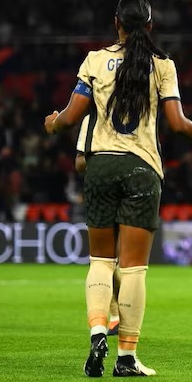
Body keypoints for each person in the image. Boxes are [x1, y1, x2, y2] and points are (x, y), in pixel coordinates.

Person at [45, 0, 192, 377]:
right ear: (150, 26)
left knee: (99, 262)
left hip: (100, 167)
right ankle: (126, 357)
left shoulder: (94, 61)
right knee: (134, 270)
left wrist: (53, 123)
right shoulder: (162, 65)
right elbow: (177, 123)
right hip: (142, 168)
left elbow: (71, 115)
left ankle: (97, 331)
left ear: (116, 23)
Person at [76, 117, 121, 337]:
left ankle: (119, 316)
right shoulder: (90, 120)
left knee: (115, 261)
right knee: (108, 260)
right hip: (104, 191)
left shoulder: (138, 108)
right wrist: (102, 158)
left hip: (130, 190)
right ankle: (116, 316)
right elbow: (79, 162)